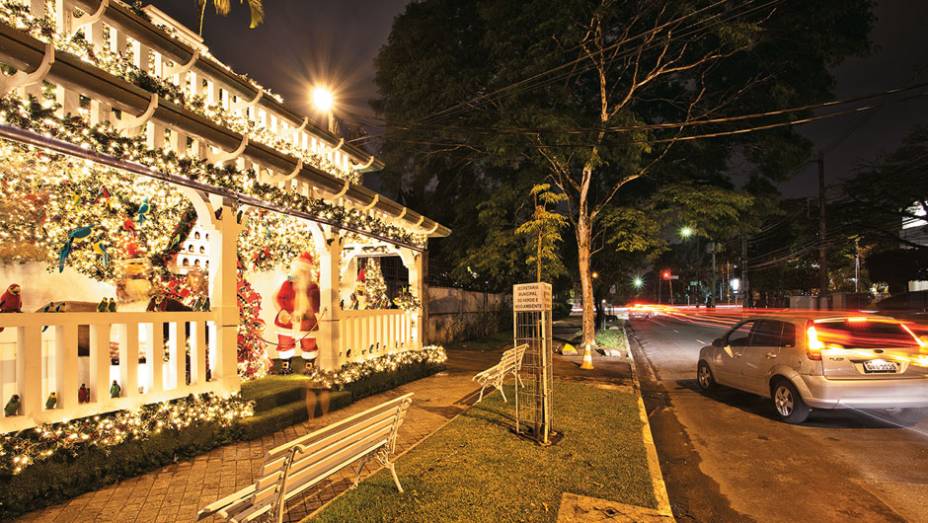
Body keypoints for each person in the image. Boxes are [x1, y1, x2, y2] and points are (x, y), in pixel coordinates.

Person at [274, 252, 321, 374]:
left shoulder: (313, 287)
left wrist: (309, 307)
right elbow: (280, 298)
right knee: (285, 342)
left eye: (305, 272)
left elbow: (316, 304)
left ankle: (309, 367)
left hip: (307, 320)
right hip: (288, 320)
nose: (302, 274)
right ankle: (286, 367)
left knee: (309, 344)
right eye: (300, 271)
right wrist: (285, 311)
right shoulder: (287, 284)